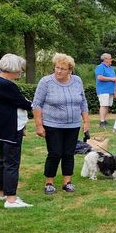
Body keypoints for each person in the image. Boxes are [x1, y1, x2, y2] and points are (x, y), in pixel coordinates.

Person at [33, 53, 90, 195]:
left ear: (70, 70)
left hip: (73, 125)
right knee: (55, 153)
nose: (58, 71)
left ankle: (67, 182)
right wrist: (39, 125)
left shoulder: (77, 81)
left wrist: (86, 121)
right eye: (57, 67)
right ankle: (49, 183)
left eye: (63, 69)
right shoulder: (46, 82)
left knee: (69, 153)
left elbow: (83, 102)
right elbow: (37, 104)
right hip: (52, 124)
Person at [0, 54, 34, 208]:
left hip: (2, 128)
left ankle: (1, 192)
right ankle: (11, 199)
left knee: (3, 161)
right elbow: (23, 103)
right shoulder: (6, 84)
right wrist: (30, 103)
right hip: (9, 128)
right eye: (19, 70)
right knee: (12, 162)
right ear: (12, 69)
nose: (21, 72)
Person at [95, 53, 116, 129]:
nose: (111, 60)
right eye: (110, 58)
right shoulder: (100, 67)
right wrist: (112, 79)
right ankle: (102, 121)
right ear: (105, 59)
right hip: (103, 90)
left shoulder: (111, 68)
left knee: (107, 105)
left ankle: (104, 120)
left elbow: (114, 77)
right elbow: (100, 77)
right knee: (103, 105)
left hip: (110, 90)